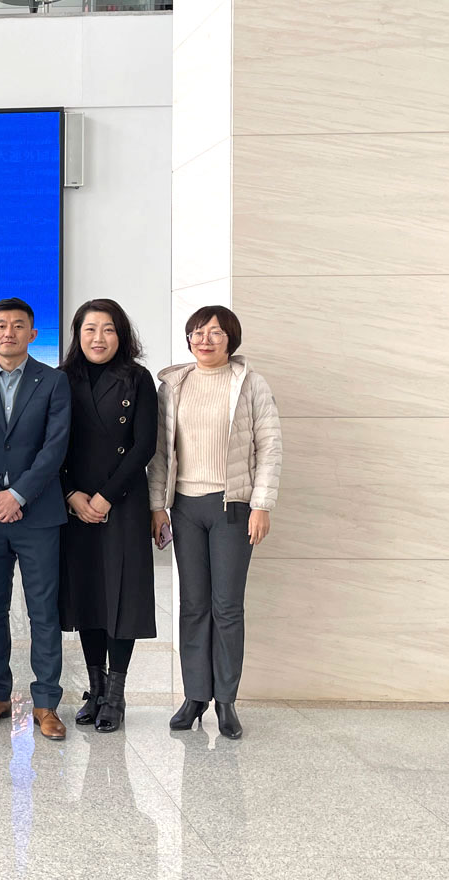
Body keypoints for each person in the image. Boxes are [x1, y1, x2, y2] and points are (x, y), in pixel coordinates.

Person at [149, 306, 281, 740]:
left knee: (227, 606)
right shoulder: (173, 385)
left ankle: (226, 700)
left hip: (233, 508)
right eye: (197, 333)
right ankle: (195, 697)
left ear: (231, 339)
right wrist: (157, 506)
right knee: (193, 605)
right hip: (185, 508)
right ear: (188, 339)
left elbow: (269, 446)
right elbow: (160, 453)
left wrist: (261, 504)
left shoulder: (250, 384)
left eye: (215, 333)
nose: (205, 340)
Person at [0, 297, 72, 741]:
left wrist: (19, 494)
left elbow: (55, 446)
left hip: (38, 513)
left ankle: (46, 702)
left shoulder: (54, 381)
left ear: (32, 334)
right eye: (1, 325)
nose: (9, 332)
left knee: (43, 610)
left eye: (18, 325)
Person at [58, 299, 158, 734]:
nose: (98, 338)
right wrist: (72, 494)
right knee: (89, 594)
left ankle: (116, 696)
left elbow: (144, 445)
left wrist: (105, 497)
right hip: (76, 504)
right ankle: (95, 689)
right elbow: (52, 444)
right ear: (78, 335)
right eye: (90, 329)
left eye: (108, 329)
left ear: (122, 335)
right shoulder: (62, 379)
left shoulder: (138, 378)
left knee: (122, 595)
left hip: (123, 502)